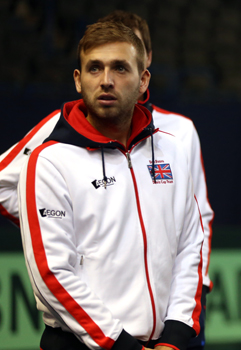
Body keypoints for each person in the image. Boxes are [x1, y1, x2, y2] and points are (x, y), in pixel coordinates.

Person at [0, 11, 213, 348]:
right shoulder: (49, 160)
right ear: (77, 79)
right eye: (94, 68)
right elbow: (52, 273)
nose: (106, 80)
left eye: (120, 68)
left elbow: (191, 245)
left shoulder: (172, 148)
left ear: (144, 80)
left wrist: (174, 337)